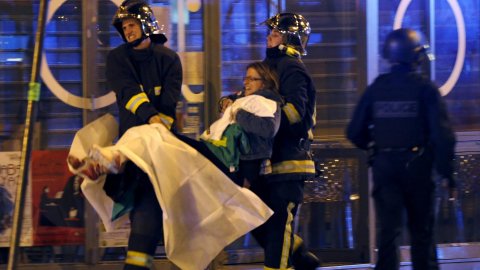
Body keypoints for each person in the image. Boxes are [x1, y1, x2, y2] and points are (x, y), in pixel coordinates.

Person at [346, 28, 456, 270]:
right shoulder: (426, 89)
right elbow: (442, 135)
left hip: (385, 167)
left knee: (388, 232)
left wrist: (375, 149)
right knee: (422, 233)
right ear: (416, 56)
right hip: (418, 166)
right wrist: (448, 173)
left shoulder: (377, 88)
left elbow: (354, 131)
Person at [219, 12, 320, 270]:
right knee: (257, 218)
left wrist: (262, 119)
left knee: (277, 229)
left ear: (290, 39)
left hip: (289, 161)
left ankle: (289, 253)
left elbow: (295, 113)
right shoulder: (270, 68)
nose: (268, 38)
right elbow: (252, 96)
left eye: (274, 34)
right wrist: (231, 101)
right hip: (267, 163)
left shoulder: (292, 69)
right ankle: (295, 250)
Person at [104, 0, 182, 269]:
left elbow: (171, 101)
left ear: (146, 24)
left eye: (132, 24)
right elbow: (128, 92)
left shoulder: (169, 59)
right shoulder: (117, 59)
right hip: (134, 146)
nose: (128, 30)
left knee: (150, 210)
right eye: (124, 26)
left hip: (164, 147)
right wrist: (152, 119)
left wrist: (162, 128)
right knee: (143, 208)